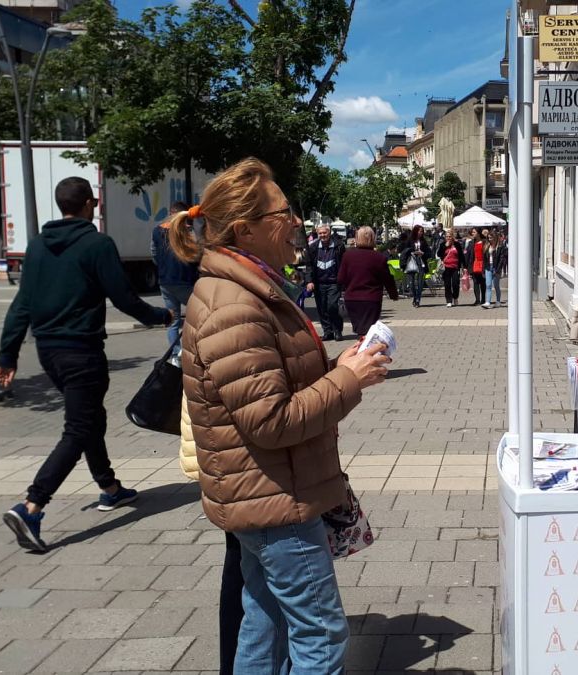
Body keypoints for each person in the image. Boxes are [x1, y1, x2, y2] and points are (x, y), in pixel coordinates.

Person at [169, 158, 391, 674]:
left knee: (265, 620)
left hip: (266, 493)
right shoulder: (235, 304)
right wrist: (348, 380)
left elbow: (273, 386)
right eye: (284, 211)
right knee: (320, 632)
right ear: (246, 229)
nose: (296, 221)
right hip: (275, 501)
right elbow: (270, 421)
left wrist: (343, 368)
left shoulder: (252, 288)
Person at [0, 177, 172, 553]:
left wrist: (7, 355)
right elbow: (124, 297)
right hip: (82, 352)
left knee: (90, 419)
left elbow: (21, 305)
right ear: (91, 204)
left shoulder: (38, 247)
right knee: (79, 428)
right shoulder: (97, 244)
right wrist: (161, 316)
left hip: (49, 352)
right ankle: (31, 506)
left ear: (60, 205)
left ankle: (110, 488)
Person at [151, 200, 200, 348]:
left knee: (173, 321)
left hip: (165, 281)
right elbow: (197, 253)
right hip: (185, 280)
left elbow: (153, 253)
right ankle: (193, 350)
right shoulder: (188, 231)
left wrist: (163, 267)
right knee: (197, 316)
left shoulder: (157, 230)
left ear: (170, 213)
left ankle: (175, 354)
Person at [338, 226, 398, 337]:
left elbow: (341, 278)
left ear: (357, 238)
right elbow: (387, 279)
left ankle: (362, 350)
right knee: (369, 331)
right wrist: (393, 294)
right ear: (372, 238)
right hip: (371, 299)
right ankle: (365, 351)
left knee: (360, 331)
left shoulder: (348, 256)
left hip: (352, 299)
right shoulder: (379, 258)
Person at [303, 224, 346, 340]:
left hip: (334, 282)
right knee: (322, 308)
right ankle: (328, 332)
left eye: (324, 233)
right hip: (319, 283)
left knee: (332, 306)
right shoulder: (313, 247)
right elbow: (309, 266)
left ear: (329, 232)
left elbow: (343, 264)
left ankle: (337, 330)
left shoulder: (339, 246)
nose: (322, 235)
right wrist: (309, 281)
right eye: (320, 233)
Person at [399, 225, 432, 307]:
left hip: (421, 262)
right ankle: (414, 296)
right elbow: (403, 250)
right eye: (420, 231)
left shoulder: (423, 241)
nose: (421, 233)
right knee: (412, 283)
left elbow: (429, 253)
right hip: (411, 261)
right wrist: (413, 251)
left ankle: (418, 299)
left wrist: (423, 253)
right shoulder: (409, 240)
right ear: (415, 231)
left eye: (422, 231)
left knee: (420, 282)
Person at [436, 230, 465, 307]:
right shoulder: (442, 244)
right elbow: (438, 254)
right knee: (447, 284)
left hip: (455, 267)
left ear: (452, 237)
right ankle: (449, 300)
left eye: (450, 236)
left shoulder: (457, 244)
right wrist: (445, 246)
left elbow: (461, 256)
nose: (448, 238)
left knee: (455, 284)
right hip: (446, 267)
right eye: (447, 237)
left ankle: (455, 297)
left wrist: (464, 267)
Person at [482, 230, 506, 309]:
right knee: (488, 285)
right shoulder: (486, 246)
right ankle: (488, 302)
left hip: (496, 267)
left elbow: (502, 259)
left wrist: (498, 269)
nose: (490, 239)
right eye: (488, 238)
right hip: (488, 267)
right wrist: (483, 270)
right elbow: (484, 259)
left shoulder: (500, 247)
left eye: (491, 238)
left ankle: (498, 301)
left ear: (495, 238)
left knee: (496, 285)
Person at [469, 228, 487, 306]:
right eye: (472, 232)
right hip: (474, 264)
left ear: (478, 233)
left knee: (482, 282)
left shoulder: (484, 242)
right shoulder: (471, 242)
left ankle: (483, 299)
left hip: (482, 264)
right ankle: (477, 300)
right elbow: (469, 255)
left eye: (474, 232)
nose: (472, 234)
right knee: (475, 282)